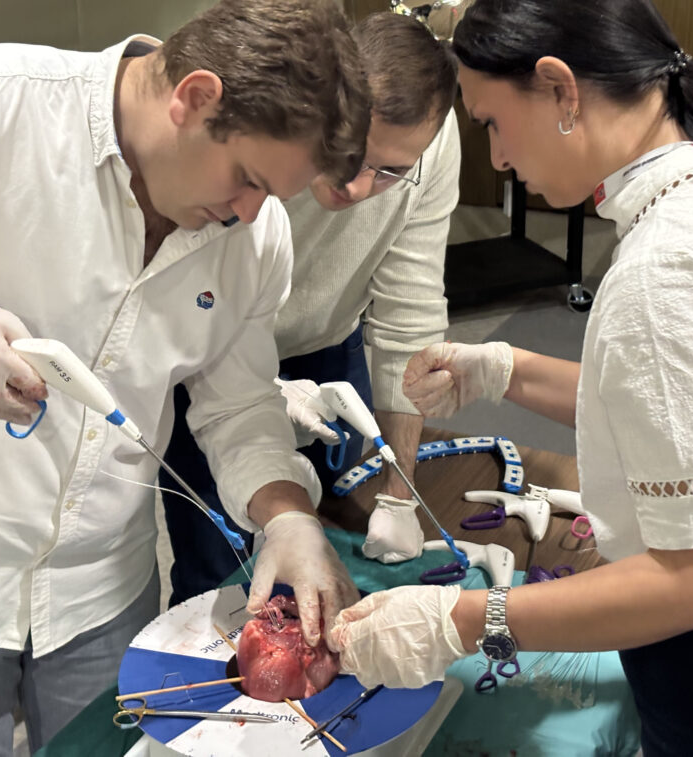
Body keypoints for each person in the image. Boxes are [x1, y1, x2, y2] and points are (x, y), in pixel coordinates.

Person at [0, 0, 370, 752]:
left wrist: (287, 515)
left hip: (100, 582)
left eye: (270, 195)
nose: (249, 214)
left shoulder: (253, 236)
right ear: (195, 97)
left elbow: (237, 404)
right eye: (247, 179)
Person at [328, 1, 693, 754]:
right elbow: (681, 419)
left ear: (560, 89)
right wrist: (505, 369)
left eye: (492, 123)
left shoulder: (672, 265)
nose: (497, 158)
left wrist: (464, 621)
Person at [161, 10, 461, 603]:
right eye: (350, 156)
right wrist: (262, 390)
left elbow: (409, 315)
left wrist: (399, 494)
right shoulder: (270, 131)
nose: (356, 188)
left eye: (389, 172)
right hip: (208, 350)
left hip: (328, 352)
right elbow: (183, 299)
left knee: (323, 545)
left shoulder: (429, 142)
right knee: (217, 569)